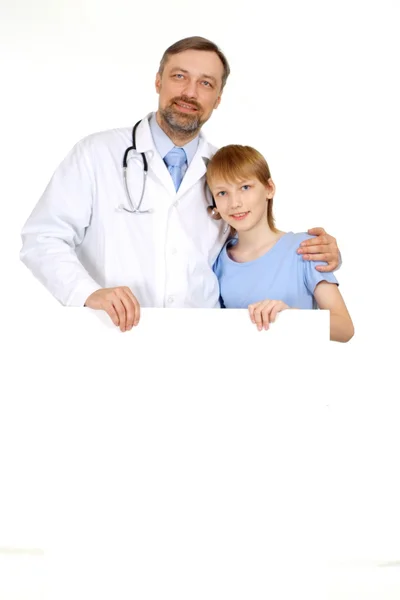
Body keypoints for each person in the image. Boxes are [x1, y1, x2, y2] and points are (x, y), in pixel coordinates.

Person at [20, 36, 341, 332]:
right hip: (111, 336)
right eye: (179, 76)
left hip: (201, 345)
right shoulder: (96, 153)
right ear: (158, 80)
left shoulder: (223, 171)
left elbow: (254, 242)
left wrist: (313, 253)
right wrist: (88, 293)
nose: (190, 92)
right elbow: (42, 237)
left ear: (217, 98)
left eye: (206, 83)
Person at [207, 145, 354, 342]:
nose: (235, 203)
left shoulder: (305, 249)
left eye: (245, 187)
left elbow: (345, 328)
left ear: (269, 189)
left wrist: (290, 317)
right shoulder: (218, 261)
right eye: (222, 193)